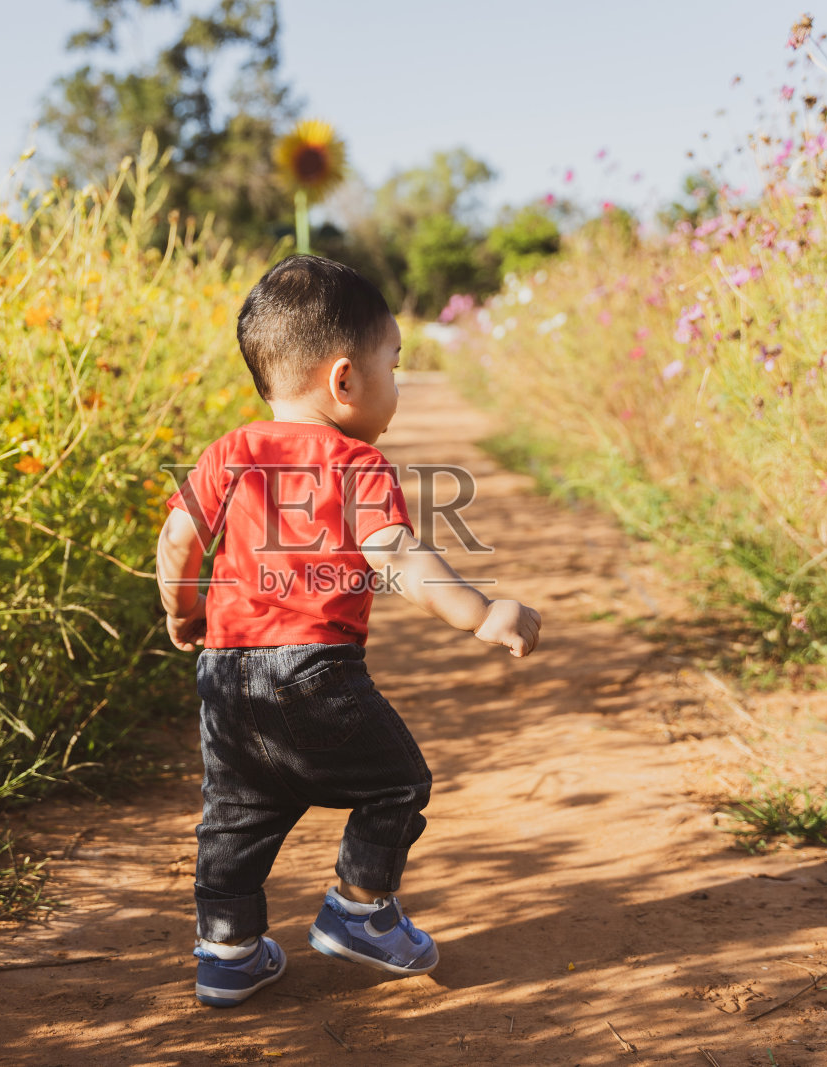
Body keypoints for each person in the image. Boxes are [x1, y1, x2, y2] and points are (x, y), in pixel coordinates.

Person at [156, 254, 542, 1008]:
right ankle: (359, 910)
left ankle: (227, 952)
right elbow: (394, 554)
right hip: (313, 670)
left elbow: (178, 539)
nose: (396, 384)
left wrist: (184, 610)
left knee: (235, 814)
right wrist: (480, 611)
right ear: (344, 380)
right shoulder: (355, 461)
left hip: (225, 670)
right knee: (397, 781)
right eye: (392, 365)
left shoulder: (227, 452)